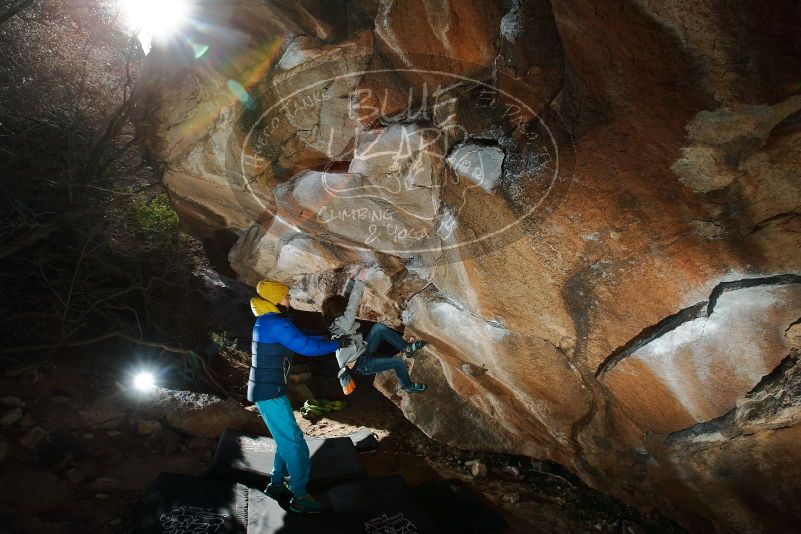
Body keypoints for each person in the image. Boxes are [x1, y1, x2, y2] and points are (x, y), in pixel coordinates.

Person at [248, 279, 343, 514]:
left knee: (287, 439)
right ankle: (299, 496)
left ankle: (277, 484)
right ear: (275, 299)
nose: (289, 299)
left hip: (268, 389)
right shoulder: (274, 323)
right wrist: (338, 344)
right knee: (296, 445)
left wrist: (330, 340)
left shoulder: (269, 320)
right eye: (286, 296)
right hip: (269, 392)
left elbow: (303, 338)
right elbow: (306, 347)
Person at [322, 267, 427, 394]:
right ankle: (408, 386)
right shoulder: (344, 322)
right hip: (362, 365)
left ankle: (407, 348)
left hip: (364, 350)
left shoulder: (335, 318)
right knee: (398, 362)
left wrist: (352, 279)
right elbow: (352, 302)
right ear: (340, 310)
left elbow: (345, 298)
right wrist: (360, 280)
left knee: (378, 328)